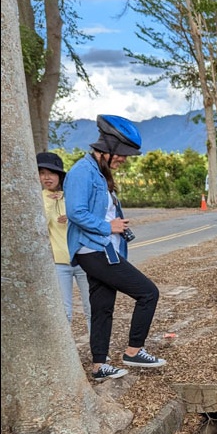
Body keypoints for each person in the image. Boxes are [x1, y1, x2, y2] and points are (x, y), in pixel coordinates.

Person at [64, 115, 165, 381]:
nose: (123, 159)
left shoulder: (99, 172)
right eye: (121, 154)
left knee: (102, 306)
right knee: (148, 293)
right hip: (93, 249)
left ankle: (99, 366)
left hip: (103, 249)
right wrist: (110, 227)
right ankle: (134, 350)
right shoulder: (81, 172)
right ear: (107, 147)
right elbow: (75, 212)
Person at [37, 151, 91, 331]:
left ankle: (99, 352)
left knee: (92, 309)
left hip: (83, 259)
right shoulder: (38, 199)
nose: (47, 177)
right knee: (64, 312)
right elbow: (39, 226)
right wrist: (51, 204)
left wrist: (72, 216)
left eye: (51, 173)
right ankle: (66, 358)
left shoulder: (72, 194)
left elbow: (87, 217)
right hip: (59, 264)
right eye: (42, 173)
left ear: (59, 175)